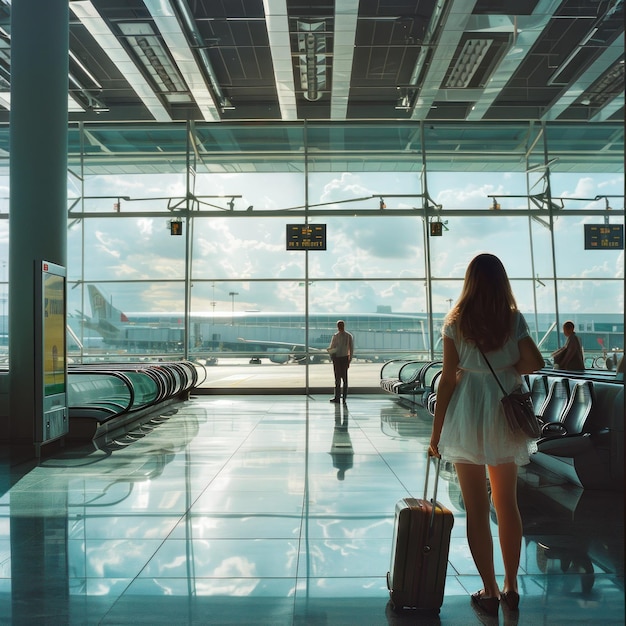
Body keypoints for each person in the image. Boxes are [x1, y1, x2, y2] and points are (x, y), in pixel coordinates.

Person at [428, 253, 544, 617]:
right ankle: (511, 583)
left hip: (466, 412)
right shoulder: (513, 319)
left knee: (476, 510)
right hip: (503, 412)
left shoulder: (456, 322)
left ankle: (490, 590)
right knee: (506, 504)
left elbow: (447, 378)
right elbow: (536, 362)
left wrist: (437, 431)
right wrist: (507, 364)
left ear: (470, 281)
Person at [327, 320, 353, 403]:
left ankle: (338, 397)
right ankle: (341, 397)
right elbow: (351, 349)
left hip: (340, 358)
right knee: (341, 378)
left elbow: (332, 347)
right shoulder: (346, 336)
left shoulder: (340, 336)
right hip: (341, 358)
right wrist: (349, 359)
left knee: (340, 378)